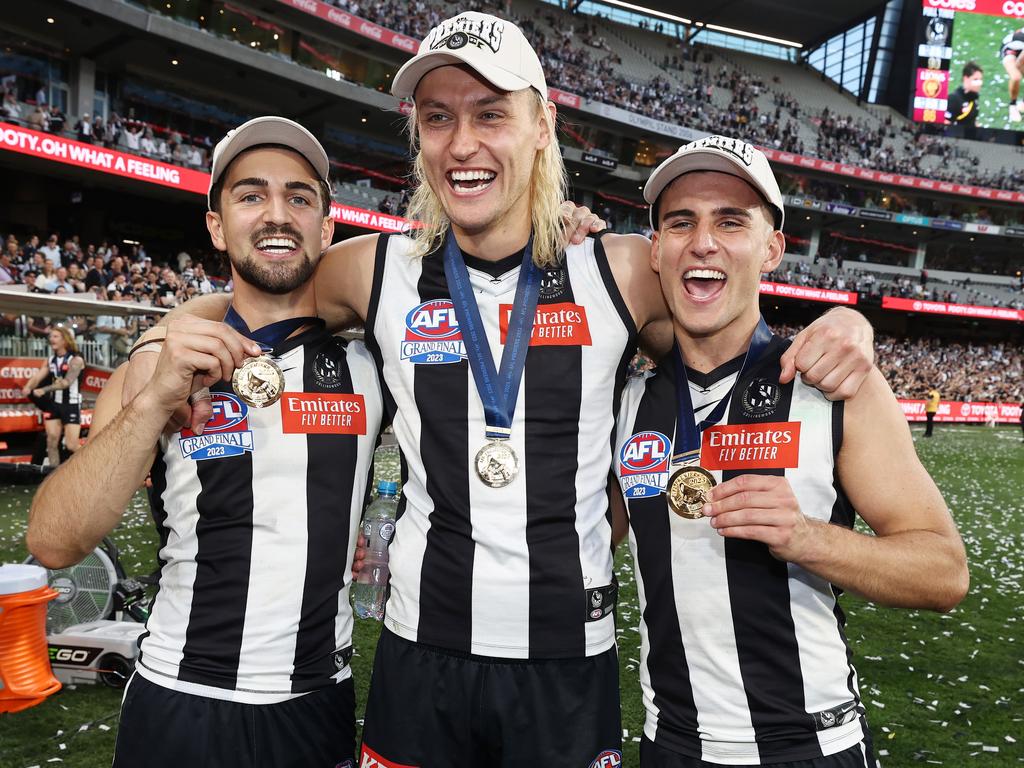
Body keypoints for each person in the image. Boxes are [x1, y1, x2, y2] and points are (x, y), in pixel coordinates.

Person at [124, 13, 875, 765]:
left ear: (542, 124)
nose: (463, 143)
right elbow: (262, 291)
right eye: (439, 118)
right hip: (421, 649)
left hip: (565, 657)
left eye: (491, 114)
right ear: (418, 137)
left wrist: (847, 323)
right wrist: (166, 331)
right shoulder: (373, 270)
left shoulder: (618, 269)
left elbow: (727, 316)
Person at [27, 117, 387, 768]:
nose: (277, 214)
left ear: (328, 228)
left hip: (315, 704)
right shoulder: (160, 363)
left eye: (300, 197)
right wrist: (155, 396)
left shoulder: (371, 363)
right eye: (251, 195)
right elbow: (54, 540)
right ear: (217, 225)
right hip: (180, 700)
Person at [611, 136, 968, 767]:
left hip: (808, 747)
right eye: (680, 222)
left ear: (772, 248)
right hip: (671, 746)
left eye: (731, 221)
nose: (703, 241)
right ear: (657, 252)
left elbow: (944, 571)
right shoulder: (621, 401)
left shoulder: (833, 387)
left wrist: (806, 537)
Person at [22, 326, 85, 466]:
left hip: (71, 405)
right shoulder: (50, 360)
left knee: (71, 445)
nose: (51, 339)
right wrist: (28, 386)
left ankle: (91, 465)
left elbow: (67, 382)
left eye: (56, 336)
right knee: (51, 441)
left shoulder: (76, 360)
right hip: (54, 404)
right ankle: (53, 473)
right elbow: (38, 377)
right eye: (51, 336)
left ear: (65, 340)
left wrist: (44, 390)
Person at [944, 61, 982, 137]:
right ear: (966, 79)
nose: (979, 83)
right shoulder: (954, 99)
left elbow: (973, 120)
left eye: (980, 79)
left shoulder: (973, 98)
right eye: (975, 79)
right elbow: (945, 124)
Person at [1000, 26, 1024, 122]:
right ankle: (1012, 106)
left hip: (1020, 46)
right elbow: (1019, 63)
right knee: (1016, 76)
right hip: (1010, 48)